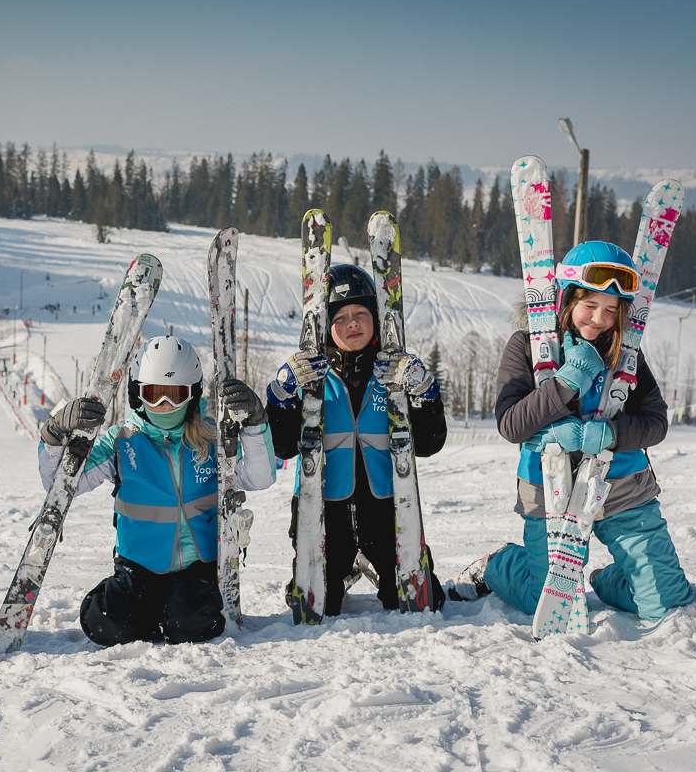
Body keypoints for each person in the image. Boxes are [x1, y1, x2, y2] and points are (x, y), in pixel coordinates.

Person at [450, 241, 693, 623]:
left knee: (666, 603)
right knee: (549, 603)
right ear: (565, 298)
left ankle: (608, 580)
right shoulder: (526, 346)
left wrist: (611, 434)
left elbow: (656, 421)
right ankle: (498, 564)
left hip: (621, 482)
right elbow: (511, 423)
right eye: (590, 305)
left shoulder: (626, 355)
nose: (599, 318)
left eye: (611, 310)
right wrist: (565, 384)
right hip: (548, 485)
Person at [38, 336, 276, 646]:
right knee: (108, 626)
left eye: (176, 395)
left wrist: (255, 423)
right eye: (153, 394)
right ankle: (137, 607)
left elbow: (259, 477)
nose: (164, 405)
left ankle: (167, 614)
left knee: (189, 626)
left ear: (192, 395)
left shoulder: (212, 439)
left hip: (198, 565)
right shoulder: (121, 442)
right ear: (137, 395)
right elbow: (60, 484)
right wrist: (55, 436)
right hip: (139, 565)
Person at [265, 264, 447, 616]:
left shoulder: (394, 375)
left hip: (386, 505)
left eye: (360, 313)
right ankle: (345, 568)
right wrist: (280, 397)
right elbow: (283, 447)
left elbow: (428, 445)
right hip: (325, 507)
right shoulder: (310, 377)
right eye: (340, 317)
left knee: (420, 601)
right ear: (325, 326)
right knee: (319, 605)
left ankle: (368, 561)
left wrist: (425, 393)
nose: (352, 323)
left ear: (376, 319)